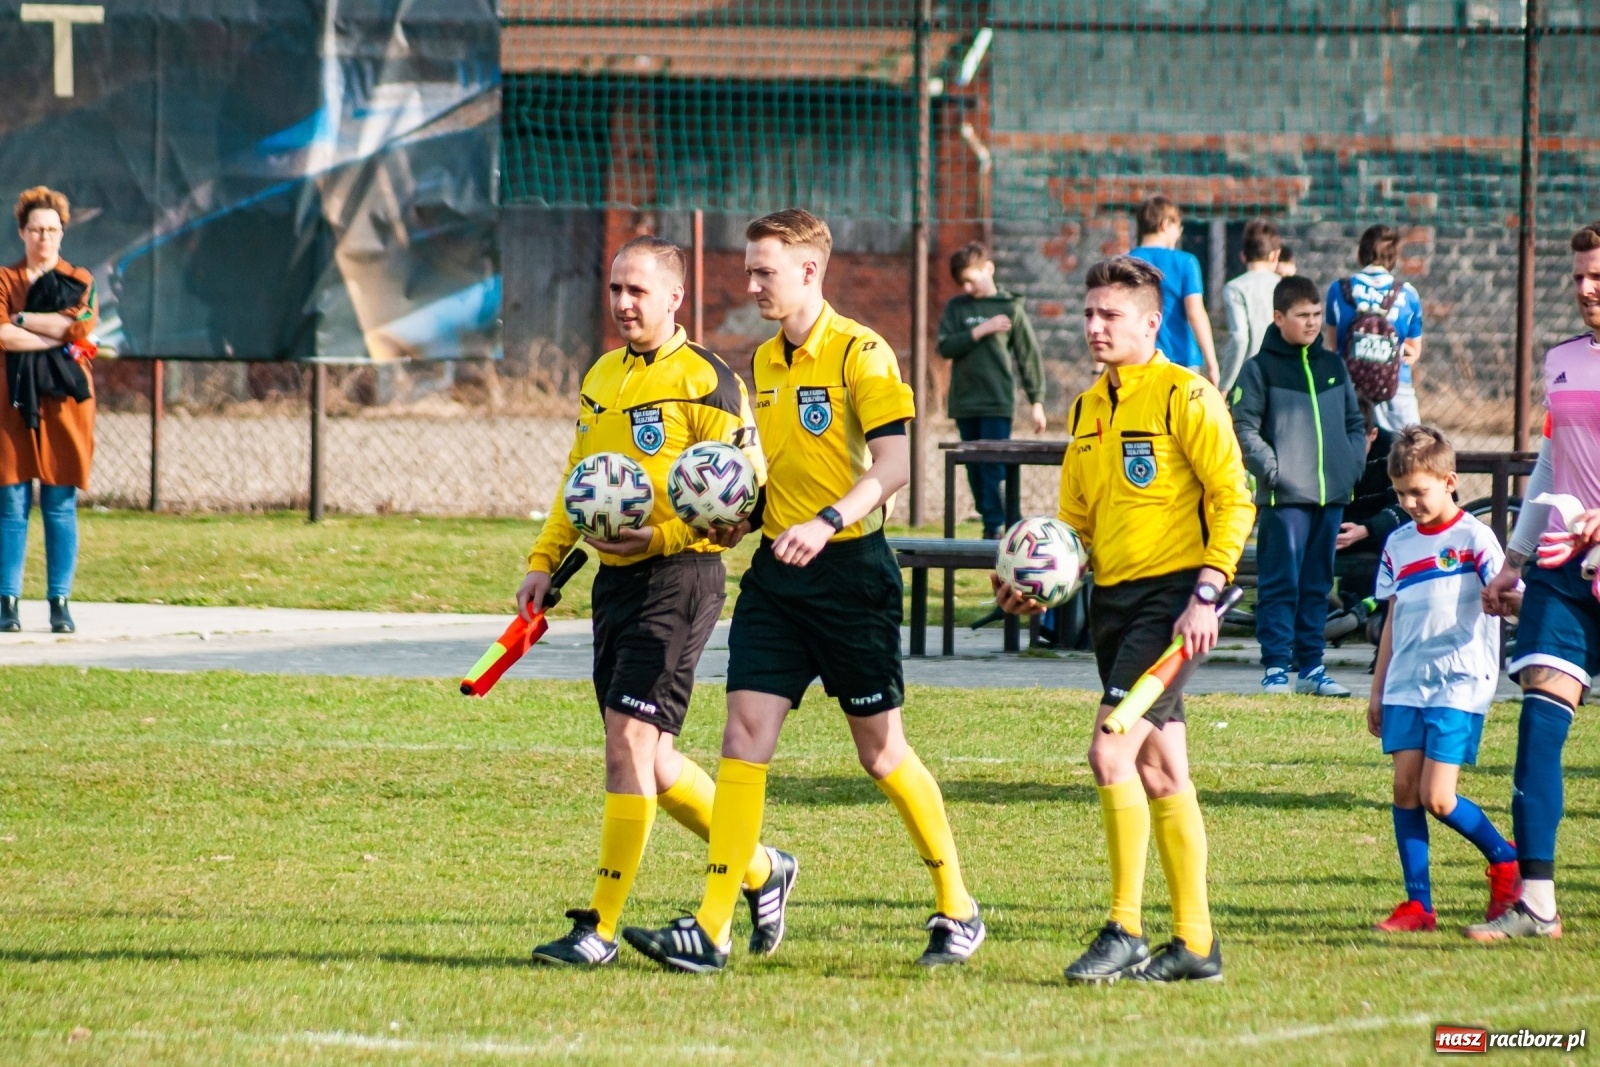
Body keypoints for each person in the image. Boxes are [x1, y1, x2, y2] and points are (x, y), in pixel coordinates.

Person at [623, 209, 984, 972]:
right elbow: (773, 471)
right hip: (778, 578)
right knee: (742, 738)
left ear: (809, 271)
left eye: (765, 272)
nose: (751, 284)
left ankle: (957, 906)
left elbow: (895, 466)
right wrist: (738, 516)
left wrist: (826, 521)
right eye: (749, 271)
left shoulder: (862, 352)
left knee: (881, 753)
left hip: (853, 574)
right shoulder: (761, 363)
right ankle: (712, 925)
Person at [515, 235, 795, 967]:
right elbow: (579, 476)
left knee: (629, 743)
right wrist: (546, 559)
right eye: (616, 289)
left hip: (681, 577)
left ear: (675, 297)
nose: (623, 303)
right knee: (654, 758)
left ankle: (600, 928)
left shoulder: (708, 380)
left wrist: (664, 536)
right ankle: (763, 868)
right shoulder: (602, 375)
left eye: (637, 290)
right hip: (614, 584)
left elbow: (743, 498)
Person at [996, 255, 1254, 982]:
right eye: (1089, 313)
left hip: (1171, 605)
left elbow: (1233, 498)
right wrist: (1036, 583)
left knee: (1110, 750)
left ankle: (1125, 928)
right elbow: (1075, 523)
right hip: (1112, 603)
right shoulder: (1088, 407)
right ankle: (1196, 945)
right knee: (1162, 769)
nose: (1094, 326)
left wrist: (1208, 590)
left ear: (1151, 322)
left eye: (1110, 315)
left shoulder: (1186, 395)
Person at [1475, 219, 1600, 941]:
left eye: (1598, 276)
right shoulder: (1563, 361)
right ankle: (1538, 902)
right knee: (1540, 723)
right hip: (1562, 568)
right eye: (1578, 275)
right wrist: (1514, 558)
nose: (1585, 288)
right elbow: (1552, 462)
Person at [1367, 426, 1520, 933]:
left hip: (1460, 679)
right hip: (1405, 682)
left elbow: (1508, 597)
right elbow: (1394, 618)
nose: (1409, 503)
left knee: (1438, 797)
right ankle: (1419, 906)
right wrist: (1377, 689)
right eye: (1401, 494)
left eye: (1419, 492)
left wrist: (1507, 603)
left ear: (1449, 482)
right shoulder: (1398, 543)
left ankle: (1506, 861)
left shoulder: (1475, 538)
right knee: (1404, 789)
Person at [1231, 275, 1366, 697]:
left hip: (1331, 495)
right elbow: (1243, 426)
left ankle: (1312, 668)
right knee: (1279, 584)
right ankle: (1275, 667)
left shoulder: (1333, 366)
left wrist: (1350, 465)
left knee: (1317, 585)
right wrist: (1274, 470)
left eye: (1317, 314)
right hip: (1285, 496)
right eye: (1302, 315)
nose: (1312, 323)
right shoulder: (1258, 369)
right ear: (1278, 317)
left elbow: (1354, 422)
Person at [0, 186, 99, 636]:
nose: (45, 237)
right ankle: (8, 602)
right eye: (37, 229)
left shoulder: (79, 278)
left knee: (60, 502)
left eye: (52, 229)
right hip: (12, 397)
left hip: (64, 399)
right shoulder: (5, 280)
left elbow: (79, 326)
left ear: (63, 232)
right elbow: (2, 335)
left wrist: (22, 320)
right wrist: (50, 334)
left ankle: (60, 603)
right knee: (11, 501)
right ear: (22, 232)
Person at [937, 241, 1047, 538]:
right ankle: (996, 521)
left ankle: (999, 528)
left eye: (971, 280)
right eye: (962, 283)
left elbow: (1027, 356)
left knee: (994, 466)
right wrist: (980, 330)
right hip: (965, 402)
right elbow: (945, 346)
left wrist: (1036, 402)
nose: (967, 288)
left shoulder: (1009, 308)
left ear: (989, 268)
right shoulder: (957, 308)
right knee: (974, 469)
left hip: (997, 402)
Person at [1324, 225, 1424, 432]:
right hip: (1395, 386)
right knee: (1408, 443)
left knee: (1350, 440)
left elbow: (1333, 346)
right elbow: (1413, 352)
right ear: (1394, 258)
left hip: (1350, 386)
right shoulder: (1408, 294)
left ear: (1361, 253)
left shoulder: (1338, 289)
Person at [1128, 196, 1221, 385]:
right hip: (1182, 359)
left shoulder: (1126, 262)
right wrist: (1212, 364)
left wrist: (1099, 368)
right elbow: (1195, 313)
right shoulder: (1186, 262)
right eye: (1178, 227)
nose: (1179, 234)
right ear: (1165, 224)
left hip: (1139, 360)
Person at [1219, 218, 1282, 394]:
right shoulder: (1285, 286)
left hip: (1249, 381)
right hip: (1282, 378)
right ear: (1275, 255)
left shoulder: (1235, 288)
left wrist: (1225, 386)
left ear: (1243, 256)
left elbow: (1239, 339)